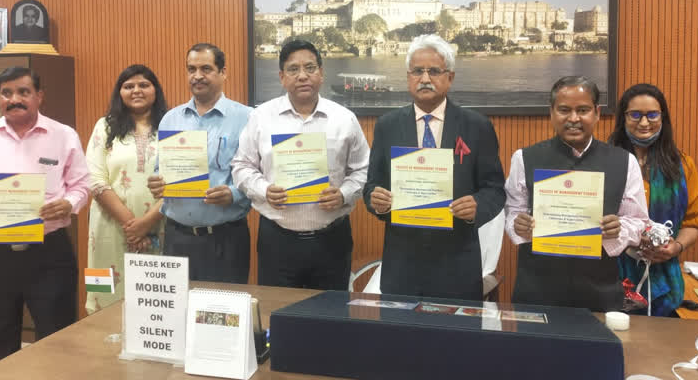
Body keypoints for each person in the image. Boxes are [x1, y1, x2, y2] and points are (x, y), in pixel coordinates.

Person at [363, 34, 506, 300]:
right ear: (408, 77)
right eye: (418, 71)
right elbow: (371, 186)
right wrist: (376, 201)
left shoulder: (476, 126)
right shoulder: (387, 125)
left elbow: (495, 189)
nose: (425, 78)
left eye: (434, 71)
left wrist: (477, 206)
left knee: (456, 341)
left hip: (457, 264)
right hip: (402, 265)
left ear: (449, 77)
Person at [0, 66, 89, 368]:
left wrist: (69, 204)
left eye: (23, 92)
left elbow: (82, 184)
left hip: (49, 253)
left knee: (57, 337)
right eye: (6, 93)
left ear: (39, 96)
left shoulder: (63, 136)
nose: (14, 99)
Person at [232, 40, 369, 290]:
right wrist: (264, 190)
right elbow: (241, 166)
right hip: (278, 240)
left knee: (330, 315)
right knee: (279, 318)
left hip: (331, 240)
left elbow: (362, 169)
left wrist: (344, 194)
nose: (303, 75)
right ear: (282, 77)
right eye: (293, 69)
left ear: (321, 73)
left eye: (310, 67)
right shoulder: (261, 116)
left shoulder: (344, 119)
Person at [504, 76, 649, 312]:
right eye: (564, 110)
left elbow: (638, 221)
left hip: (599, 290)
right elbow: (513, 211)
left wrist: (620, 228)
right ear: (551, 113)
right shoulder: (524, 158)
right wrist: (518, 225)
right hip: (537, 288)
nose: (573, 119)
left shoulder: (624, 161)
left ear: (597, 113)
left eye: (582, 110)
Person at [147, 43, 252, 282]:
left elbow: (258, 174)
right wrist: (156, 183)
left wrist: (234, 194)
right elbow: (159, 171)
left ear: (223, 72)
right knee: (179, 313)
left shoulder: (247, 118)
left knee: (224, 312)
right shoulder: (170, 119)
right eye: (191, 69)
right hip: (176, 236)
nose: (197, 76)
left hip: (226, 239)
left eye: (206, 68)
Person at [609, 83, 698, 316]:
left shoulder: (682, 165)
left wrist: (675, 247)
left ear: (663, 117)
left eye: (652, 114)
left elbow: (694, 223)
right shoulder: (605, 161)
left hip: (664, 281)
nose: (644, 122)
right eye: (635, 115)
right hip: (610, 277)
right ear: (623, 118)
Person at [85, 64, 169, 314]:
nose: (136, 90)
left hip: (159, 226)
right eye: (128, 86)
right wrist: (132, 225)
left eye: (144, 85)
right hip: (108, 230)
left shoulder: (172, 125)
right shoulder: (104, 126)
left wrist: (147, 223)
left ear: (155, 90)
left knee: (155, 305)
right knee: (102, 298)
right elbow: (95, 179)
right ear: (119, 92)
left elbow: (181, 182)